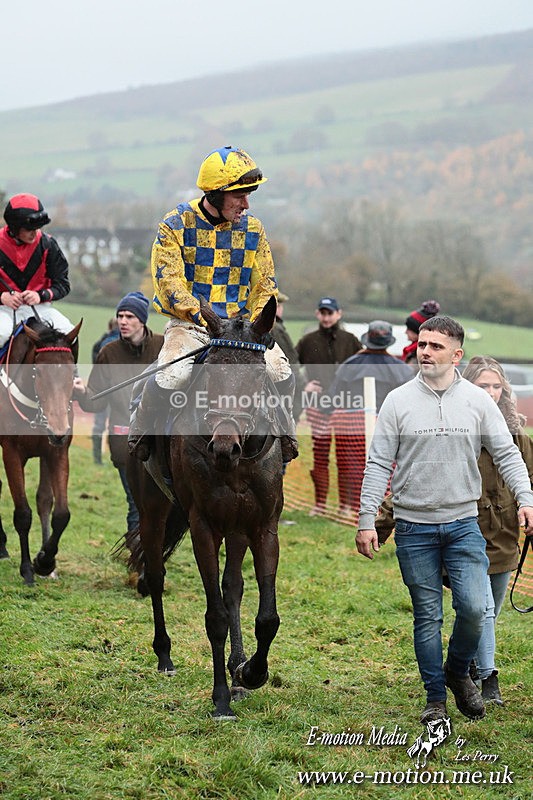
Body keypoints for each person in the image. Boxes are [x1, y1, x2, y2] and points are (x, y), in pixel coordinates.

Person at [356, 315, 533, 725]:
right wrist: (368, 520)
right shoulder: (398, 401)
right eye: (422, 344)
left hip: (463, 525)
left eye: (436, 346)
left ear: (457, 355)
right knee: (428, 616)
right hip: (414, 528)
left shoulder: (477, 401)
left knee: (473, 609)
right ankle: (435, 699)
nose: (425, 351)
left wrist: (526, 497)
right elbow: (379, 463)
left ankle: (458, 672)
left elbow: (507, 454)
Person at [127, 146, 297, 464]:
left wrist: (258, 324)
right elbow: (169, 282)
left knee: (282, 372)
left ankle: (284, 432)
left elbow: (265, 285)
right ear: (216, 194)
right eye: (239, 197)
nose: (246, 204)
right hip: (191, 324)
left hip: (242, 330)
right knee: (170, 377)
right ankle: (142, 431)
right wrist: (199, 313)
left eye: (248, 196)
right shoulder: (175, 224)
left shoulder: (254, 230)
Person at [461, 356, 533, 706]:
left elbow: (530, 478)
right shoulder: (455, 426)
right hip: (467, 530)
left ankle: (466, 662)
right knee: (483, 610)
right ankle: (489, 679)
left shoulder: (516, 432)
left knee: (492, 608)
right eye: (482, 386)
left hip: (505, 535)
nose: (489, 393)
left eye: (495, 386)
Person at [73, 292, 163, 536]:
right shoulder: (108, 353)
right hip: (125, 445)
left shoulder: (163, 347)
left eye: (129, 316)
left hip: (162, 444)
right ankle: (139, 563)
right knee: (136, 506)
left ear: (142, 320)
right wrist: (82, 392)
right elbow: (96, 403)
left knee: (161, 507)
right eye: (120, 316)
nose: (123, 321)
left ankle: (153, 560)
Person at [326, 320, 414, 518]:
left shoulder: (350, 364)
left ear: (368, 339)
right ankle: (384, 509)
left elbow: (333, 398)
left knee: (349, 468)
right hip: (388, 428)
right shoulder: (402, 369)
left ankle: (348, 508)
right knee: (387, 468)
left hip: (349, 428)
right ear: (389, 341)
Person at [296, 297, 361, 515]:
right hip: (318, 405)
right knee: (320, 454)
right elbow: (291, 366)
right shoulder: (307, 341)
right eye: (322, 313)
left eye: (330, 313)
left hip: (346, 406)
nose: (326, 317)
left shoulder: (351, 341)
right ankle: (320, 505)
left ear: (339, 314)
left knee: (346, 456)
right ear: (317, 314)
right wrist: (305, 385)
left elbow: (363, 369)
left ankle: (346, 506)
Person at [0, 193, 73, 347]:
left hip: (40, 309)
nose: (35, 232)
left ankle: (73, 372)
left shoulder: (47, 244)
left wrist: (41, 295)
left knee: (69, 333)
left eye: (38, 227)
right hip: (3, 310)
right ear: (14, 227)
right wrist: (2, 297)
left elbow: (63, 285)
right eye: (29, 228)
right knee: (1, 333)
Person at [271, 291, 305, 426]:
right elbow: (290, 364)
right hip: (283, 395)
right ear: (276, 307)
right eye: (280, 306)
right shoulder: (276, 329)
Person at [90, 318, 120, 464]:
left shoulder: (99, 344)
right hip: (120, 392)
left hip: (102, 391)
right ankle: (118, 456)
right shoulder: (124, 344)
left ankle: (97, 459)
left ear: (109, 327)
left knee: (99, 425)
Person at [401, 300, 441, 366]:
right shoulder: (411, 351)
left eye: (409, 329)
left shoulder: (418, 356)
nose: (405, 332)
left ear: (418, 331)